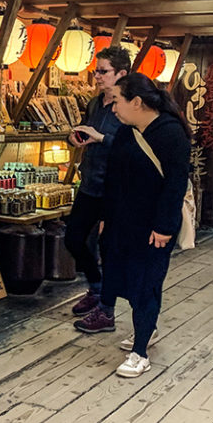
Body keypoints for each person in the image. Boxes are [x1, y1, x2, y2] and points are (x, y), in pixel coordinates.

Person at [76, 73, 191, 376]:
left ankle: (140, 352)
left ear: (137, 102)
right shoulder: (128, 131)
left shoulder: (171, 133)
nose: (113, 109)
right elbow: (114, 178)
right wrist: (105, 219)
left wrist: (165, 226)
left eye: (117, 101)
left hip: (153, 226)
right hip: (122, 222)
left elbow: (175, 184)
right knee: (126, 279)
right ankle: (147, 330)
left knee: (146, 283)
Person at [65, 46, 131, 334]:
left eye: (103, 71)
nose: (97, 76)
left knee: (110, 248)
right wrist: (75, 137)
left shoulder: (130, 105)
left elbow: (132, 148)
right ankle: (96, 286)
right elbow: (87, 133)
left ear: (121, 74)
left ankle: (107, 311)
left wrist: (101, 137)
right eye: (96, 70)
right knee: (73, 239)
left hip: (115, 188)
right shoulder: (94, 104)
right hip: (90, 183)